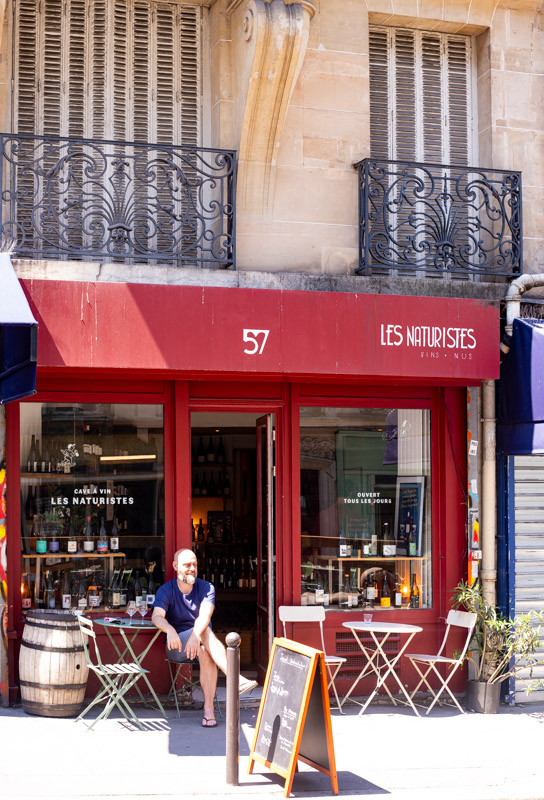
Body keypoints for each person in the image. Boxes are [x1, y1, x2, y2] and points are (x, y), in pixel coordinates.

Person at [151, 548, 258, 727]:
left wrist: (195, 635)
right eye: (186, 565)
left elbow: (205, 615)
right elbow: (156, 616)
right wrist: (169, 629)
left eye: (194, 564)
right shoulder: (166, 590)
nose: (192, 568)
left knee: (206, 652)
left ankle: (209, 712)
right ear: (175, 566)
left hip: (200, 642)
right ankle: (235, 679)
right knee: (205, 631)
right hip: (176, 646)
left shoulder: (206, 587)